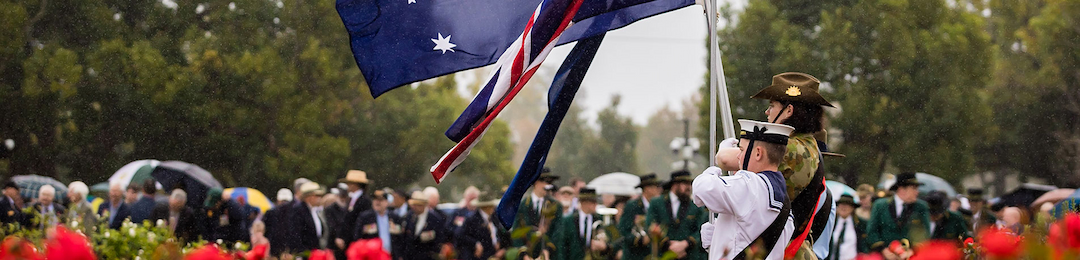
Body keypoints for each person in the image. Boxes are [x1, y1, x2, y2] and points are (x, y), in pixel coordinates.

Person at [715, 72, 834, 259]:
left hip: (780, 250)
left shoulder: (789, 147)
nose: (767, 112)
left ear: (788, 111)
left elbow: (724, 159)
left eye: (772, 106)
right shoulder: (806, 144)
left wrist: (726, 147)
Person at [694, 119, 796, 260]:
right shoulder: (782, 197)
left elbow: (702, 189)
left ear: (758, 153)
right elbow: (745, 239)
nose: (738, 156)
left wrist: (711, 173)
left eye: (741, 150)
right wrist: (718, 239)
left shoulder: (751, 185)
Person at [647, 170, 707, 260]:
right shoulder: (657, 203)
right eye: (685, 183)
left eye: (690, 184)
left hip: (689, 255)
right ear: (675, 185)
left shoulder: (696, 206)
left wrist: (685, 244)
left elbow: (701, 229)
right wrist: (669, 246)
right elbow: (650, 225)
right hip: (663, 255)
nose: (689, 187)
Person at [866, 172, 930, 256]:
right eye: (914, 188)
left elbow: (925, 234)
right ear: (901, 189)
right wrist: (883, 250)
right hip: (883, 257)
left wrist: (912, 252)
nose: (917, 192)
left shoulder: (921, 207)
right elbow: (872, 232)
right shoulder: (880, 205)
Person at [552, 188, 612, 260]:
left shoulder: (599, 219)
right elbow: (562, 245)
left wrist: (604, 246)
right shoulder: (568, 220)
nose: (596, 204)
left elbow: (610, 243)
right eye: (593, 202)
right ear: (584, 202)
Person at [618, 173, 663, 260]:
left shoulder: (659, 206)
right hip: (634, 255)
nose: (658, 190)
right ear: (647, 189)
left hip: (653, 253)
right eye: (655, 187)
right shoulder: (632, 206)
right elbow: (623, 230)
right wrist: (640, 240)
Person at [455, 191, 510, 260]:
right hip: (480, 257)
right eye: (491, 205)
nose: (493, 207)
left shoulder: (495, 217)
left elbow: (504, 234)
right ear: (485, 207)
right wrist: (475, 244)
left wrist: (503, 249)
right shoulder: (472, 219)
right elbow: (460, 235)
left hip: (496, 255)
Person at [354, 189, 405, 259]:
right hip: (372, 256)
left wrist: (400, 255)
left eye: (380, 200)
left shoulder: (395, 217)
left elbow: (400, 238)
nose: (377, 202)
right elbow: (358, 237)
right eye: (375, 199)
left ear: (386, 202)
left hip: (391, 256)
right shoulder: (365, 217)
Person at [403, 191, 448, 260]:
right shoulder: (409, 216)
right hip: (411, 255)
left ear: (423, 205)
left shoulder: (434, 218)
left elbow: (440, 237)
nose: (414, 207)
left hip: (427, 255)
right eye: (414, 205)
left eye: (418, 205)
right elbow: (406, 236)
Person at [336, 170, 372, 252]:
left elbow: (359, 222)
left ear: (355, 184)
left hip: (358, 241)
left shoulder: (365, 201)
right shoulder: (352, 199)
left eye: (349, 183)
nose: (347, 186)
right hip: (350, 241)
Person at [290, 182, 329, 252]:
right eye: (317, 196)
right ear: (309, 197)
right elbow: (296, 234)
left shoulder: (314, 211)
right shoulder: (298, 210)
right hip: (305, 253)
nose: (320, 198)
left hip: (315, 252)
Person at [828, 194, 867, 260]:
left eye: (847, 205)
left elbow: (863, 244)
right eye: (841, 204)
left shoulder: (860, 224)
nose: (844, 207)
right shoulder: (831, 222)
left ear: (852, 208)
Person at [264, 188, 294, 256]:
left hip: (285, 247)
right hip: (274, 247)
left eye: (286, 201)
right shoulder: (270, 213)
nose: (284, 204)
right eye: (283, 201)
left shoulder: (294, 213)